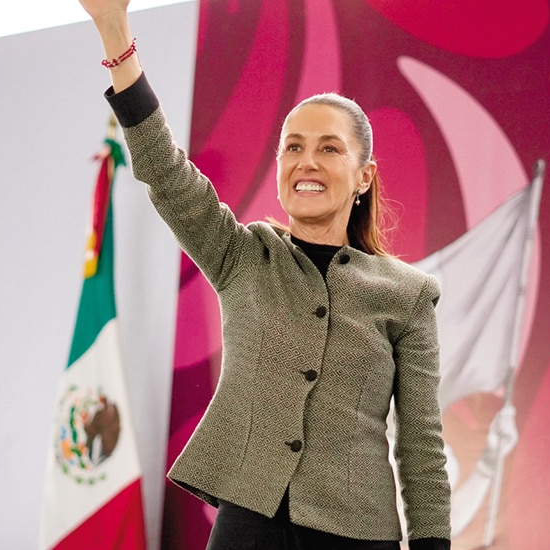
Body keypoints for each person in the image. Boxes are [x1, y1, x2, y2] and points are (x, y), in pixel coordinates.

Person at [77, 1, 452, 548]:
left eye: (329, 148)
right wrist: (115, 31)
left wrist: (432, 543)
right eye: (293, 148)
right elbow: (163, 168)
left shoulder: (409, 295)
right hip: (247, 528)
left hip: (358, 534)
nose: (307, 162)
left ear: (364, 175)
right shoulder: (243, 255)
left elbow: (422, 442)